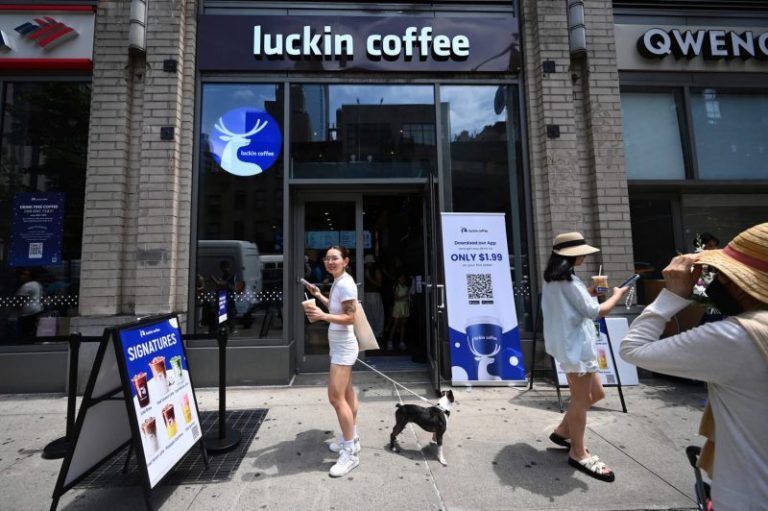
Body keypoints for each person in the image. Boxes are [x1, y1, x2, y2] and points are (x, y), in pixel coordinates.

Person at [620, 223, 768, 510]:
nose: (717, 280)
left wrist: (670, 296)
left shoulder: (736, 337)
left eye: (722, 274)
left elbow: (633, 348)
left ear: (740, 284)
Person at [541, 232, 629, 482]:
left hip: (572, 346)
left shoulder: (555, 280)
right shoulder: (568, 282)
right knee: (581, 400)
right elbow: (595, 312)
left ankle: (563, 431)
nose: (584, 257)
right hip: (576, 349)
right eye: (581, 253)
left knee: (596, 394)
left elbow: (574, 304)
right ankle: (578, 452)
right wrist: (617, 295)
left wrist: (589, 291)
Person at [303, 245, 361, 477]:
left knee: (336, 398)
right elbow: (337, 308)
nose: (330, 262)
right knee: (347, 394)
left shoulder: (345, 283)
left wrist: (322, 316)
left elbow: (350, 317)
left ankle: (350, 453)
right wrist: (319, 296)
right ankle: (352, 438)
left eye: (335, 258)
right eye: (327, 258)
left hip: (344, 348)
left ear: (345, 261)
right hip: (340, 345)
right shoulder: (339, 281)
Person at [15, 268, 44, 340]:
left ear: (30, 276)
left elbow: (20, 300)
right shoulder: (37, 284)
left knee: (25, 332)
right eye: (22, 274)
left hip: (27, 313)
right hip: (36, 310)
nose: (22, 276)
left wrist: (16, 310)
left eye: (25, 274)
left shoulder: (27, 286)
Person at [211, 260, 237, 334]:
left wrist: (215, 280)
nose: (224, 270)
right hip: (227, 297)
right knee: (228, 314)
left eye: (224, 268)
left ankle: (228, 329)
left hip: (228, 298)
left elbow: (223, 284)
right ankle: (228, 329)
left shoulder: (230, 275)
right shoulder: (227, 275)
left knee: (229, 313)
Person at [363, 254, 385, 339]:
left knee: (376, 315)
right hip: (366, 294)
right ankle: (372, 334)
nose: (368, 264)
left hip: (374, 294)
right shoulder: (364, 270)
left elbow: (380, 284)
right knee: (369, 315)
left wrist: (369, 278)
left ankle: (378, 334)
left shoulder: (376, 270)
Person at [387, 273, 410, 351]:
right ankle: (389, 341)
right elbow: (396, 298)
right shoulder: (396, 287)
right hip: (398, 307)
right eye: (401, 278)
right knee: (395, 324)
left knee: (403, 325)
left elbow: (407, 298)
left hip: (405, 306)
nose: (402, 279)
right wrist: (405, 296)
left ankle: (401, 342)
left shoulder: (406, 287)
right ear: (398, 279)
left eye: (403, 278)